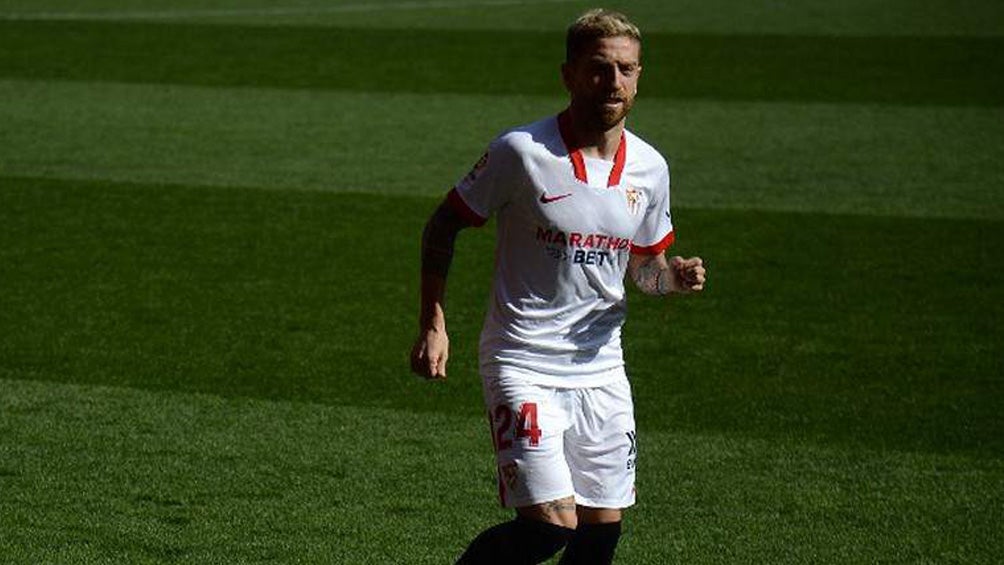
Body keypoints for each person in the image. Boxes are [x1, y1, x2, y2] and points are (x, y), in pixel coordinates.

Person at [410, 8, 706, 564]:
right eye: (599, 68)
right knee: (550, 527)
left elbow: (645, 270)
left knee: (602, 532)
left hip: (602, 369)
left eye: (626, 70)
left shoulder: (650, 168)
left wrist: (673, 278)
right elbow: (442, 224)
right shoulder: (522, 152)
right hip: (523, 360)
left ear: (639, 76)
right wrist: (434, 322)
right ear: (568, 74)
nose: (613, 83)